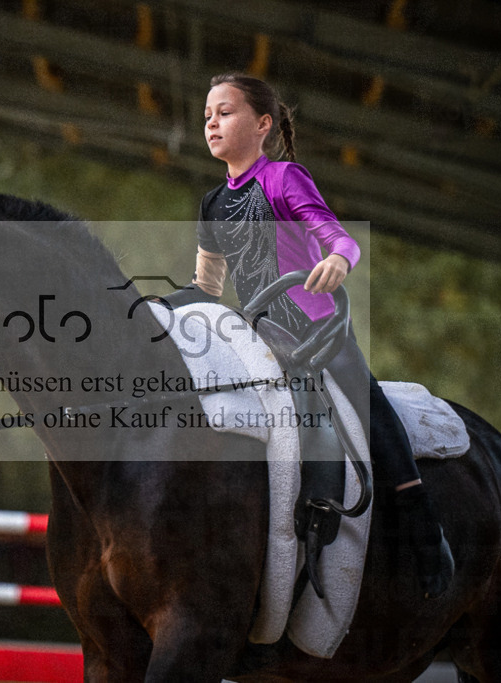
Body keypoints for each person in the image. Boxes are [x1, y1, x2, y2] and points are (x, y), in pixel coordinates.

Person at [165, 72, 454, 598]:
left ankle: (420, 526)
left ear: (263, 124)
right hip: (256, 338)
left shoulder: (285, 179)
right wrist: (153, 308)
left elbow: (338, 238)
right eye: (207, 114)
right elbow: (206, 287)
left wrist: (341, 259)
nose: (211, 122)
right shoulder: (211, 204)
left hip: (317, 331)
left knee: (368, 404)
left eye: (225, 112)